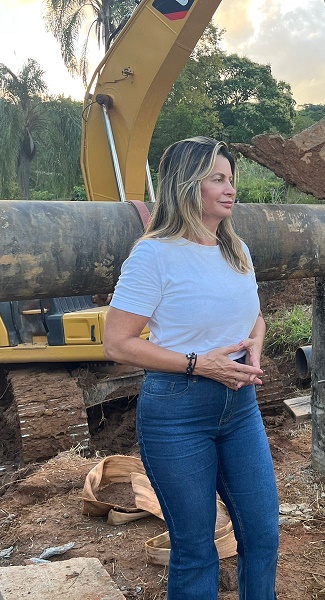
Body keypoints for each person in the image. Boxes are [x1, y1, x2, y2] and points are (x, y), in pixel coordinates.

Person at [103, 137, 279, 599]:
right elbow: (117, 342)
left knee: (262, 535)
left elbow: (253, 316)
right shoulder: (154, 255)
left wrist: (255, 345)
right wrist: (199, 365)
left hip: (240, 406)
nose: (230, 189)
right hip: (178, 412)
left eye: (231, 179)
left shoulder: (235, 249)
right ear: (186, 185)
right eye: (217, 179)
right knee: (196, 549)